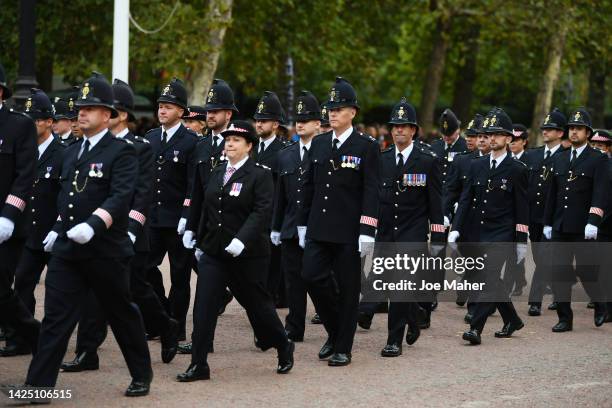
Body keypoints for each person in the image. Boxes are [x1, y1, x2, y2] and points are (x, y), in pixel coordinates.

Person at [24, 72, 152, 398]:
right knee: (55, 317)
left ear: (108, 115)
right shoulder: (71, 151)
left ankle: (141, 374)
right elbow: (65, 198)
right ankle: (38, 386)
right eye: (81, 107)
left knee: (121, 314)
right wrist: (56, 230)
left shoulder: (122, 152)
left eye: (91, 107)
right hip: (69, 249)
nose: (82, 112)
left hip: (105, 251)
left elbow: (121, 196)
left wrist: (94, 224)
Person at [61, 79, 179, 372]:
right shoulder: (87, 148)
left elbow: (142, 195)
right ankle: (88, 351)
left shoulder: (140, 147)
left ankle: (166, 326)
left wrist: (131, 231)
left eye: (108, 111)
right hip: (98, 233)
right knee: (93, 293)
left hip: (128, 234)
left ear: (121, 115)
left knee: (135, 291)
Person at [177, 120, 294, 382]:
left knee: (258, 307)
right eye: (227, 139)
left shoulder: (260, 174)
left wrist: (242, 239)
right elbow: (207, 206)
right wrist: (194, 233)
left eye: (236, 140)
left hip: (248, 254)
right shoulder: (217, 171)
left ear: (249, 146)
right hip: (214, 252)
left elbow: (262, 210)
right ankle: (199, 363)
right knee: (204, 306)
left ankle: (283, 344)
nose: (229, 143)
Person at [298, 77, 380, 366]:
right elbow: (308, 185)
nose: (332, 113)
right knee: (311, 276)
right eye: (330, 108)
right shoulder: (319, 144)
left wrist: (367, 229)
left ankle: (343, 346)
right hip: (319, 226)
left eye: (339, 108)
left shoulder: (366, 146)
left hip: (349, 230)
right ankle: (334, 331)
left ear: (353, 113)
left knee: (347, 290)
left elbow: (372, 190)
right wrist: (302, 224)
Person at [449, 107, 528, 345]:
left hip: (502, 233)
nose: (491, 138)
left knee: (488, 276)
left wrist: (521, 240)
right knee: (492, 279)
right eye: (489, 133)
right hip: (479, 231)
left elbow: (522, 207)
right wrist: (455, 227)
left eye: (497, 134)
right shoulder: (477, 165)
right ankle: (512, 319)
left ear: (508, 138)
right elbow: (466, 199)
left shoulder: (517, 170)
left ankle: (476, 328)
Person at [375, 98, 445, 357]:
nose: (398, 131)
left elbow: (435, 202)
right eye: (395, 126)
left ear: (413, 130)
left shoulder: (427, 160)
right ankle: (413, 314)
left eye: (404, 126)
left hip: (412, 232)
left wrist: (438, 236)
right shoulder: (381, 159)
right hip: (385, 231)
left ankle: (394, 339)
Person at [2, 89, 63, 357]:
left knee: (58, 291)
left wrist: (59, 226)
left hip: (45, 230)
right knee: (20, 285)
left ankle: (46, 338)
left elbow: (65, 195)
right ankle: (21, 338)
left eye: (37, 118)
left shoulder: (62, 152)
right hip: (29, 232)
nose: (32, 122)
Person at [179, 79, 237, 355]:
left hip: (235, 227)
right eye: (209, 110)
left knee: (254, 295)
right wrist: (189, 222)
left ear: (229, 114)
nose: (210, 115)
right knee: (205, 290)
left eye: (217, 110)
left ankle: (276, 338)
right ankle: (202, 344)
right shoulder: (201, 147)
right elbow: (195, 189)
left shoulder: (240, 142)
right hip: (207, 226)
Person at [543, 108, 609, 332]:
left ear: (587, 133)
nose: (574, 132)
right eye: (571, 128)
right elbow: (552, 193)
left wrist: (594, 219)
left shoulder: (598, 159)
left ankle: (600, 304)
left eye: (579, 129)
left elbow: (601, 192)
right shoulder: (559, 158)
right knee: (559, 271)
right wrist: (548, 223)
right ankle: (564, 318)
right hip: (561, 224)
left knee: (587, 271)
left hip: (584, 226)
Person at [144, 78, 198, 341]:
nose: (162, 111)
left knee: (180, 278)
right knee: (142, 268)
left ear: (181, 111)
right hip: (152, 219)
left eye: (168, 106)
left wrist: (187, 216)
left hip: (177, 221)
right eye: (160, 106)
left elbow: (192, 185)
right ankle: (161, 317)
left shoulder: (191, 141)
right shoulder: (151, 138)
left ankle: (176, 327)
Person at [271, 90, 321, 342]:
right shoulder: (286, 154)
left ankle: (331, 318)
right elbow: (281, 194)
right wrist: (276, 226)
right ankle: (294, 326)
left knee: (318, 278)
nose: (300, 123)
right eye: (297, 119)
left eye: (306, 118)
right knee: (293, 281)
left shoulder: (324, 152)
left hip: (318, 227)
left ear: (317, 123)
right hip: (291, 226)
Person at [0, 63, 41, 360]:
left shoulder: (19, 125)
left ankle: (33, 334)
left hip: (6, 224)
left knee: (0, 289)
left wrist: (8, 215)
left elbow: (26, 175)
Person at [524, 108, 567, 316]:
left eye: (550, 129)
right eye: (544, 128)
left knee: (545, 259)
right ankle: (560, 295)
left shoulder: (566, 157)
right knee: (541, 258)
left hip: (553, 217)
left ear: (560, 133)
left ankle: (535, 301)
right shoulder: (533, 155)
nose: (545, 132)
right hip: (534, 215)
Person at [253, 91, 287, 307]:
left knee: (273, 265)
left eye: (263, 120)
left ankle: (273, 299)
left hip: (274, 215)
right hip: (254, 215)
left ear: (275, 124)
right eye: (257, 120)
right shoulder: (251, 149)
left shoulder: (283, 151)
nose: (258, 124)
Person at [430, 108, 467, 187]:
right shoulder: (434, 146)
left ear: (458, 130)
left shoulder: (466, 146)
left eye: (450, 134)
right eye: (444, 134)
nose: (446, 137)